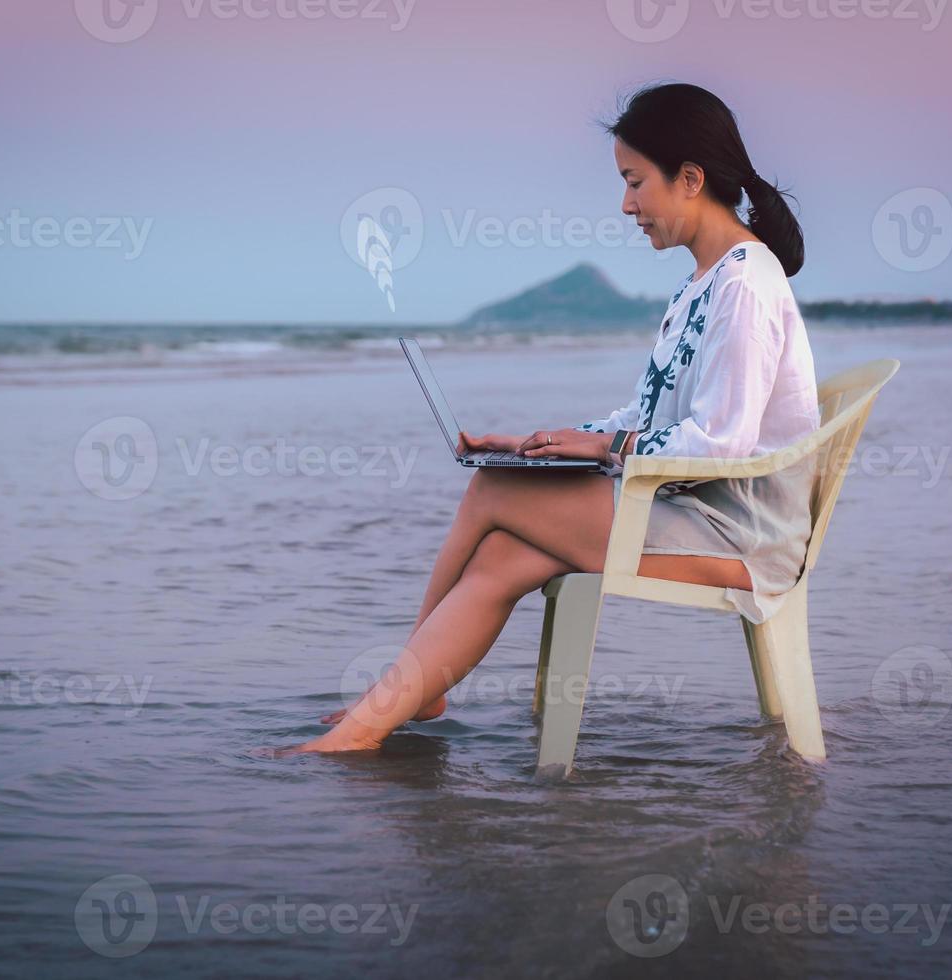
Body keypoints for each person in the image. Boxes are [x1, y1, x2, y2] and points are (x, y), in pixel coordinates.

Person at [285, 82, 821, 756]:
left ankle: (398, 699)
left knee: (492, 489)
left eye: (635, 182)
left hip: (740, 542)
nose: (626, 205)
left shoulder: (744, 284)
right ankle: (387, 710)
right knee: (505, 551)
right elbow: (647, 413)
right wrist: (548, 441)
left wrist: (603, 447)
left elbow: (722, 443)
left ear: (690, 178)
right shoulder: (705, 281)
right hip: (695, 513)